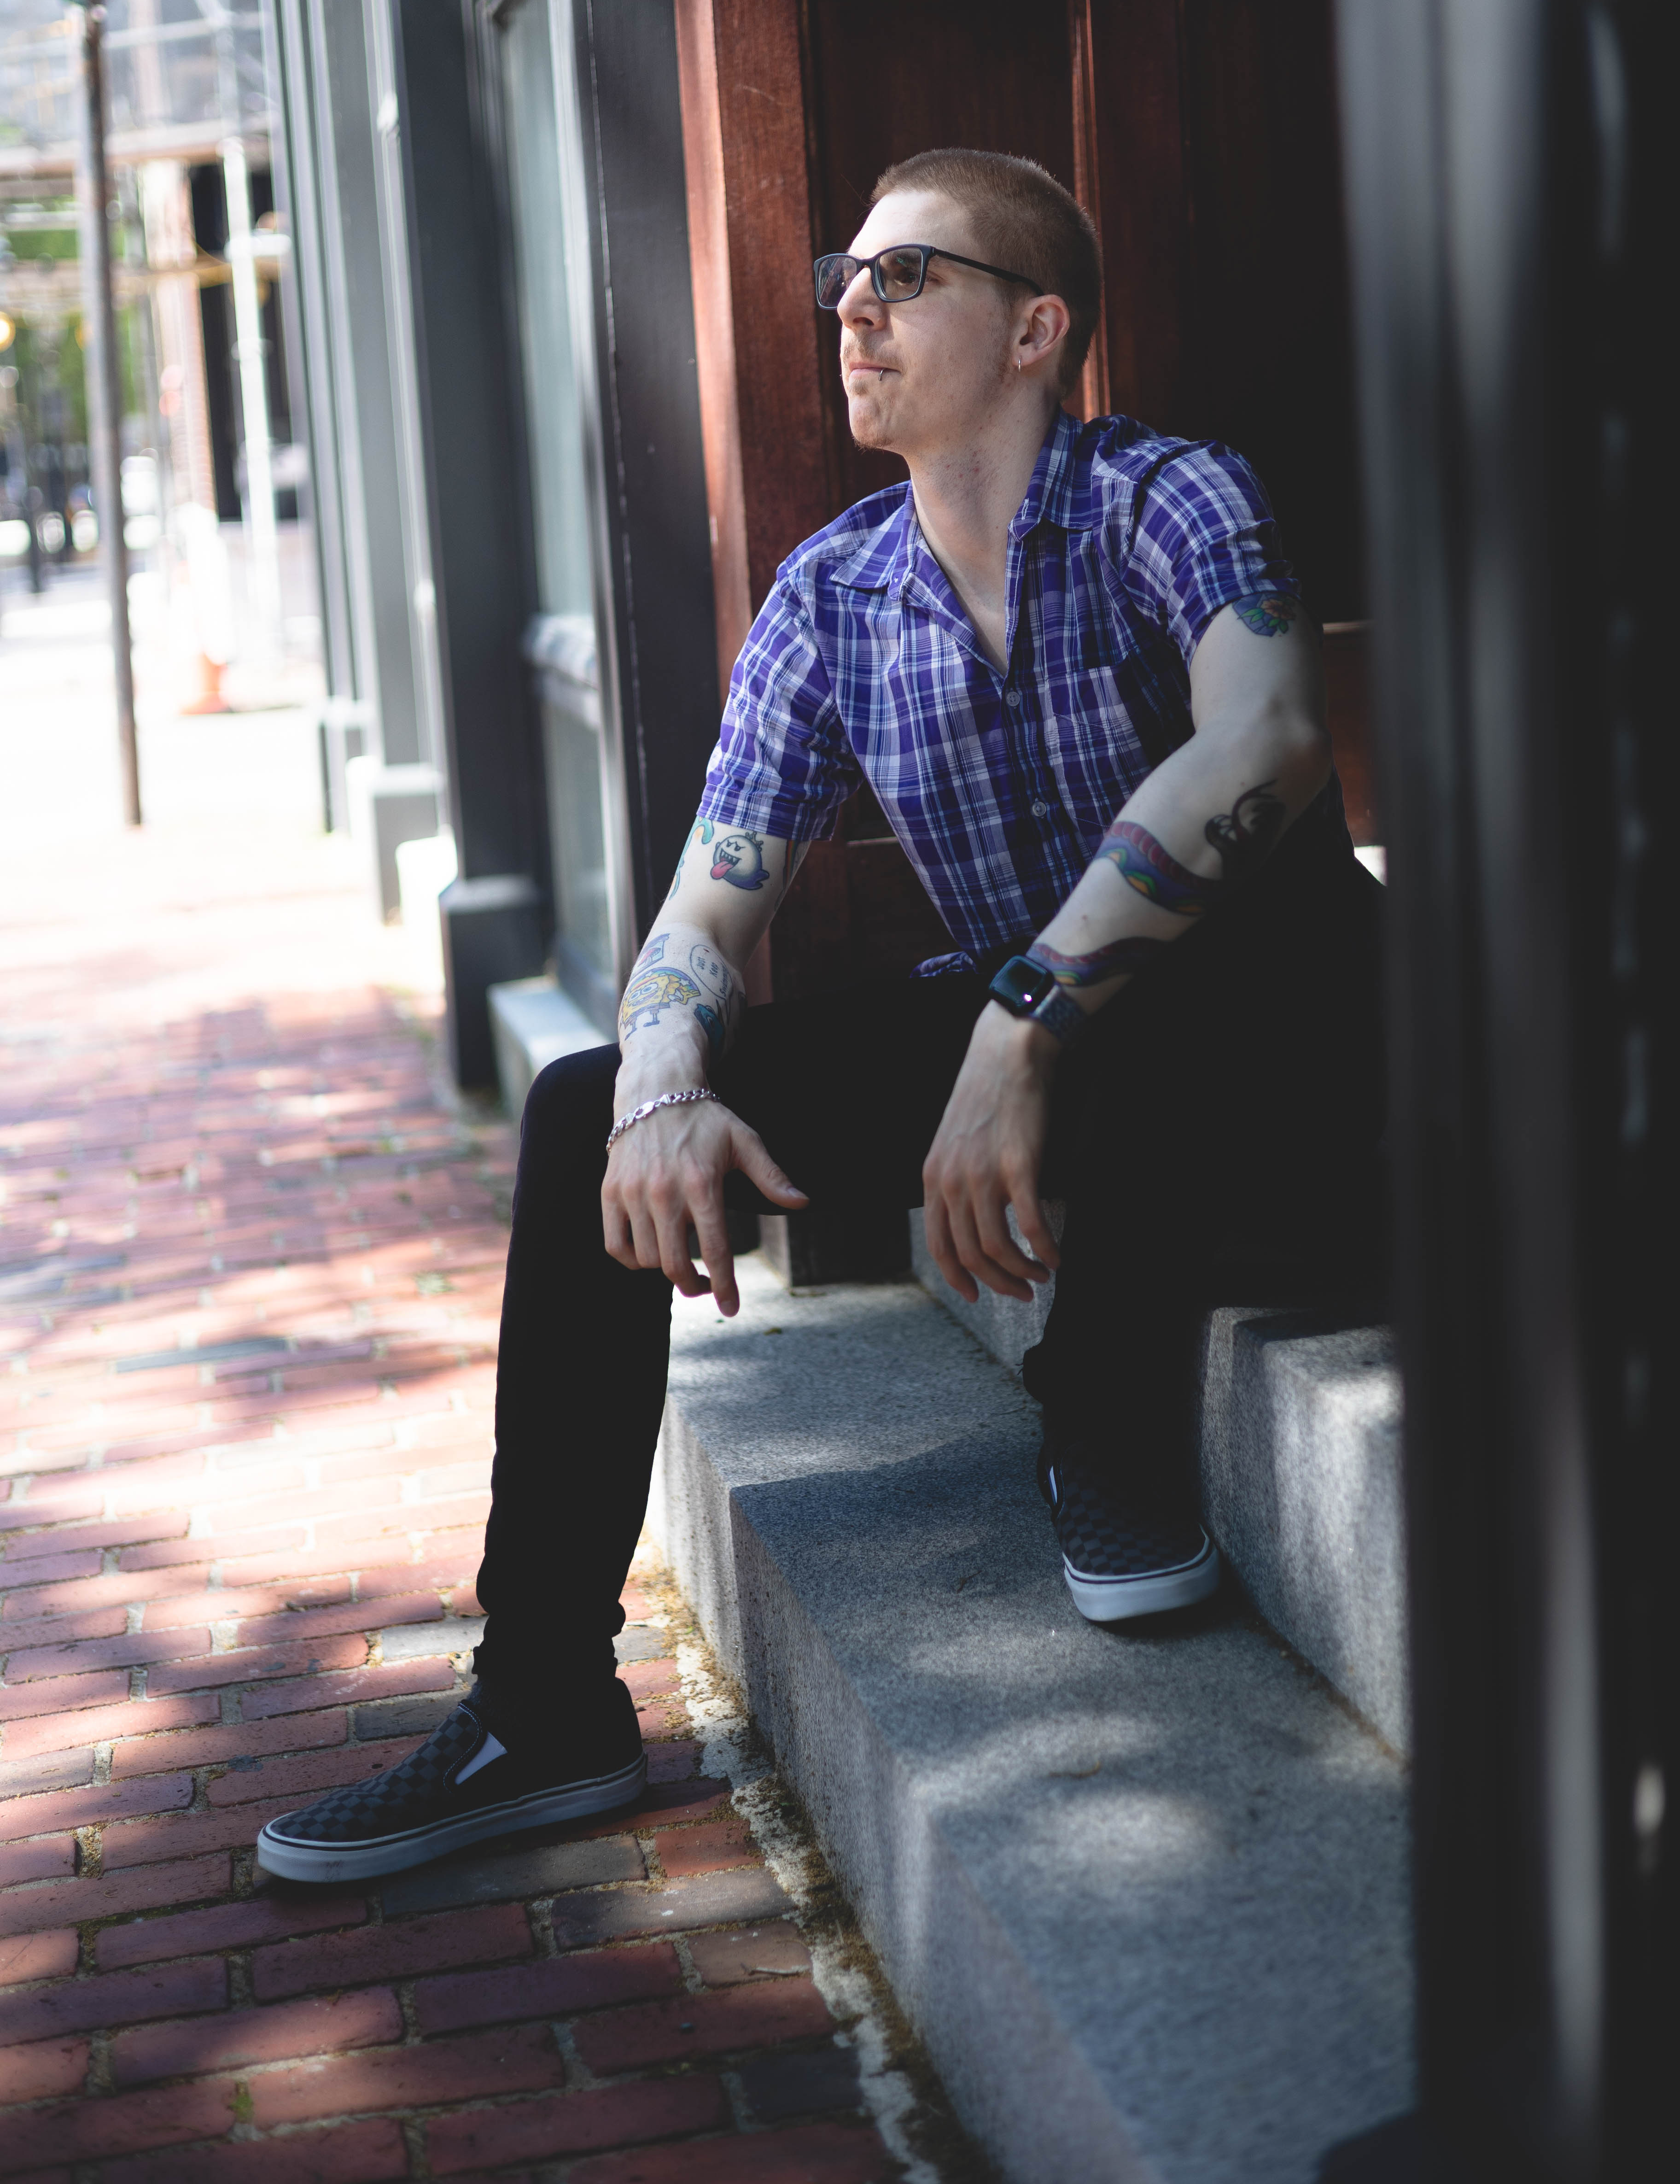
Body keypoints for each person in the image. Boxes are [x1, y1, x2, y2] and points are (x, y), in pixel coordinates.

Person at [257, 149, 1383, 1884]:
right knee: (573, 1116)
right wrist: (658, 1087)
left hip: (1299, 1059)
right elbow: (713, 901)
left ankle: (1102, 1395)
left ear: (1035, 330)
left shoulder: (1171, 496)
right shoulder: (831, 593)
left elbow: (1272, 743)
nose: (851, 304)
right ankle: (544, 1703)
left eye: (906, 276)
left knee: (1157, 974)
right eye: (845, 275)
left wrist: (1015, 1025)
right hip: (1061, 1069)